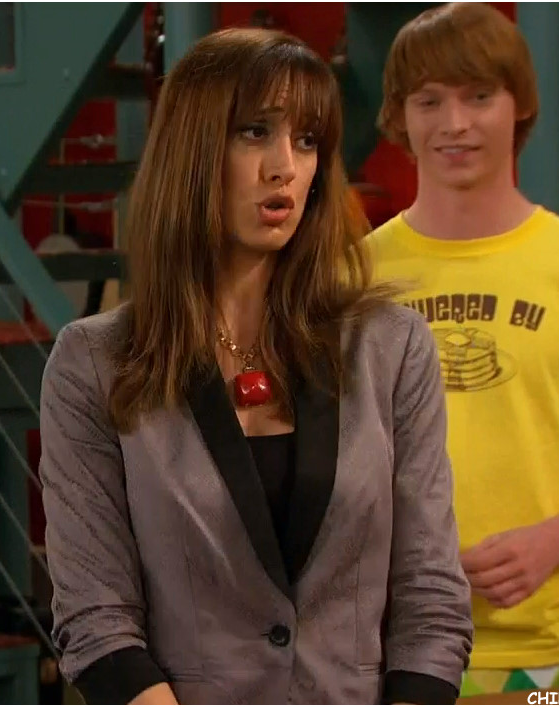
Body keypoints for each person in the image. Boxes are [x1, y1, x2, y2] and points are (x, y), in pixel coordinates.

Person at [38, 27, 473, 705]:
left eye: (306, 141)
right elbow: (95, 618)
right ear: (192, 150)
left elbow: (431, 599)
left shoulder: (390, 347)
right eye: (254, 133)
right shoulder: (94, 362)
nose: (284, 167)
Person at [367, 3, 559, 697]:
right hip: (383, 642)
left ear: (520, 106)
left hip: (548, 645)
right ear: (400, 116)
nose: (454, 123)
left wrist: (551, 542)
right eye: (429, 101)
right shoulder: (350, 278)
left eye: (478, 96)